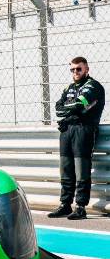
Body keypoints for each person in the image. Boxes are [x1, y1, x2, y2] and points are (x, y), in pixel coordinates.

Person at [49, 57, 105, 220]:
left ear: (87, 69)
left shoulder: (93, 86)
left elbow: (79, 105)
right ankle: (65, 205)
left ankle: (80, 207)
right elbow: (58, 108)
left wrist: (72, 109)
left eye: (79, 69)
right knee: (65, 170)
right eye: (72, 69)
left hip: (84, 130)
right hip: (67, 130)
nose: (75, 72)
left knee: (82, 171)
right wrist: (72, 111)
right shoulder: (69, 87)